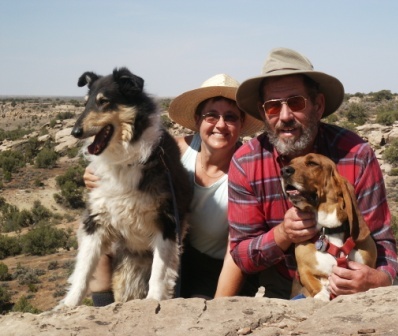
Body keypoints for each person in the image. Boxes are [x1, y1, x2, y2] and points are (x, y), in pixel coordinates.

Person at [228, 47, 398, 300]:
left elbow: (382, 240)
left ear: (318, 105)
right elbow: (242, 256)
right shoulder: (246, 162)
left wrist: (378, 279)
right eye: (273, 107)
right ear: (264, 112)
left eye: (296, 103)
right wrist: (283, 234)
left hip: (358, 288)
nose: (285, 116)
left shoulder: (355, 154)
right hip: (288, 289)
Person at [84, 74, 264, 304]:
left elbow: (235, 249)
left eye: (230, 117)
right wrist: (93, 174)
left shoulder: (246, 170)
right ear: (198, 119)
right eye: (212, 115)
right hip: (172, 247)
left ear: (240, 124)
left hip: (211, 266)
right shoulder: (176, 149)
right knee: (99, 241)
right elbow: (123, 167)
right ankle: (104, 318)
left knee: (195, 310)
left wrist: (219, 308)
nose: (220, 124)